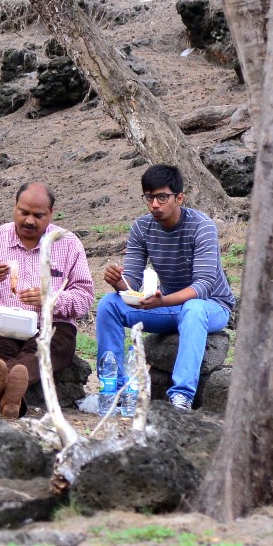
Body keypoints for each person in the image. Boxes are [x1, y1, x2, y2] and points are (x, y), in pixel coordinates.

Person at [0, 182, 95, 418]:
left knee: (49, 347)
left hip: (49, 325)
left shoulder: (68, 244)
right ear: (15, 207)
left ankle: (6, 383)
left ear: (51, 213)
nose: (29, 221)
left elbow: (85, 297)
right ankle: (12, 387)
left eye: (38, 216)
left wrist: (51, 299)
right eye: (23, 213)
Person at [95, 163, 235, 411]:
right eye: (149, 197)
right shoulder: (142, 227)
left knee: (193, 308)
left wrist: (163, 301)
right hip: (169, 304)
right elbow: (133, 284)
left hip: (211, 306)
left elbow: (203, 286)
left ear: (179, 197)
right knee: (109, 305)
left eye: (162, 197)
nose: (155, 205)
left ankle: (181, 397)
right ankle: (116, 390)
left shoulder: (201, 226)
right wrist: (119, 283)